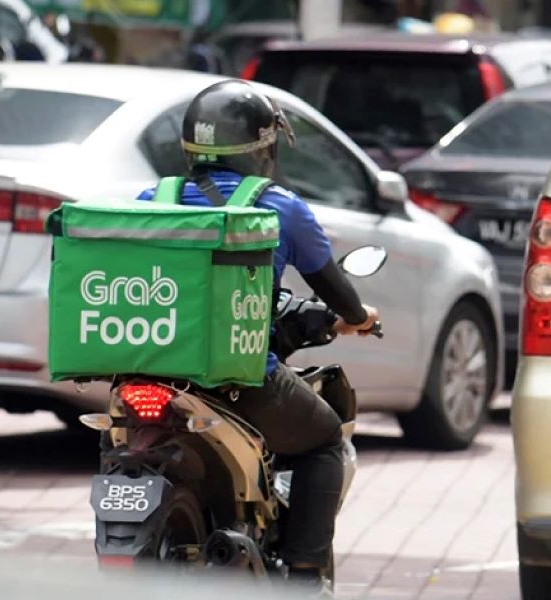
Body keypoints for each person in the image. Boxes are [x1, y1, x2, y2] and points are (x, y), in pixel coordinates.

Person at [137, 80, 380, 591]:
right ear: (263, 148)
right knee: (324, 443)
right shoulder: (281, 208)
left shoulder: (149, 200)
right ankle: (305, 574)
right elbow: (337, 292)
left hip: (146, 371)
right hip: (241, 381)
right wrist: (358, 318)